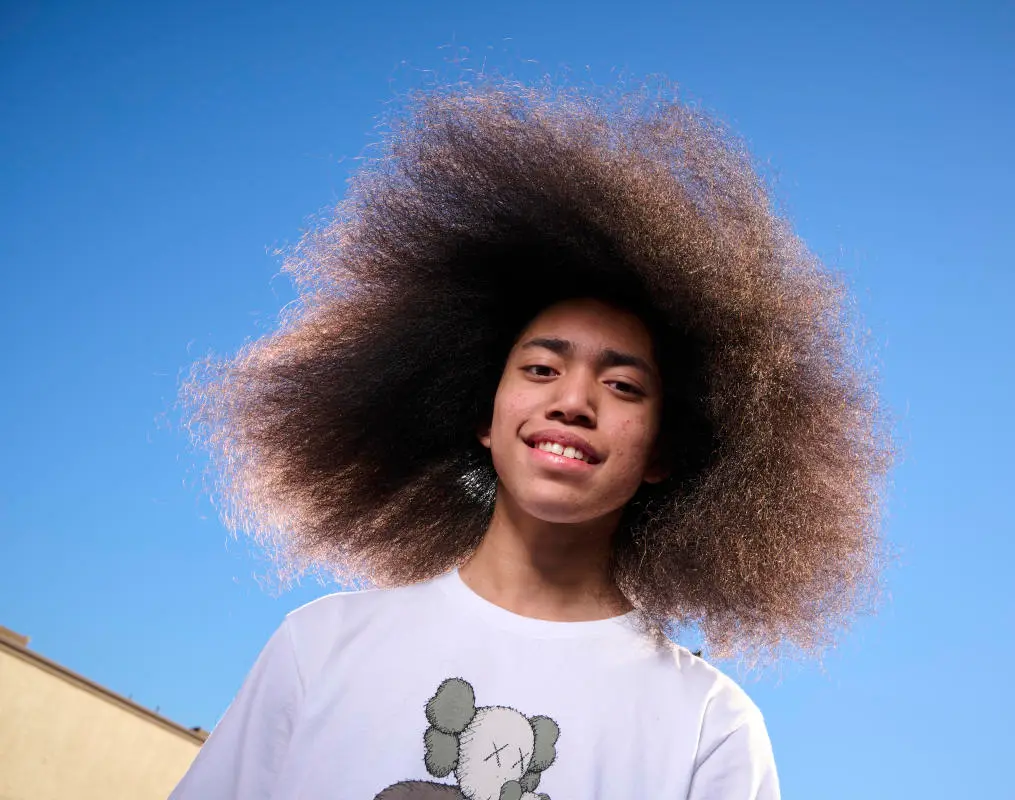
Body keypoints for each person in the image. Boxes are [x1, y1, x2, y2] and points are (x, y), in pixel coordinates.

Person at [172, 79, 892, 800]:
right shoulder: (320, 646)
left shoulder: (709, 727)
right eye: (542, 368)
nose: (573, 400)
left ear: (663, 454)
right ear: (483, 415)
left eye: (622, 386)